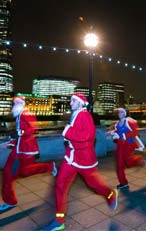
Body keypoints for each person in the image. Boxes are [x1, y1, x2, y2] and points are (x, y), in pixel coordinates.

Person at [41, 94, 118, 231]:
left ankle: (110, 194)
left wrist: (67, 131)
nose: (70, 103)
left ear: (81, 103)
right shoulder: (76, 114)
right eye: (70, 100)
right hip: (71, 156)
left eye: (73, 101)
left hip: (83, 158)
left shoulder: (85, 115)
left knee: (94, 184)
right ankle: (59, 221)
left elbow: (88, 135)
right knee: (60, 185)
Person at [0, 96, 57, 211]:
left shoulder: (26, 113)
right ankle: (10, 201)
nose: (15, 104)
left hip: (27, 149)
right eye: (14, 103)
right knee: (7, 174)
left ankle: (50, 166)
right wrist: (10, 143)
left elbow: (32, 129)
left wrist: (19, 132)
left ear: (23, 103)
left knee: (25, 172)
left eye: (18, 102)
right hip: (17, 150)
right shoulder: (19, 115)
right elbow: (20, 136)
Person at [107, 108, 146, 190]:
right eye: (118, 112)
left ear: (125, 113)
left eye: (121, 112)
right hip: (120, 144)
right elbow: (117, 132)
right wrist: (113, 133)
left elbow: (136, 131)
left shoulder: (129, 121)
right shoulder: (117, 124)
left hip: (128, 144)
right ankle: (123, 183)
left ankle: (138, 160)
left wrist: (124, 135)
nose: (119, 113)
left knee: (128, 162)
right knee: (119, 164)